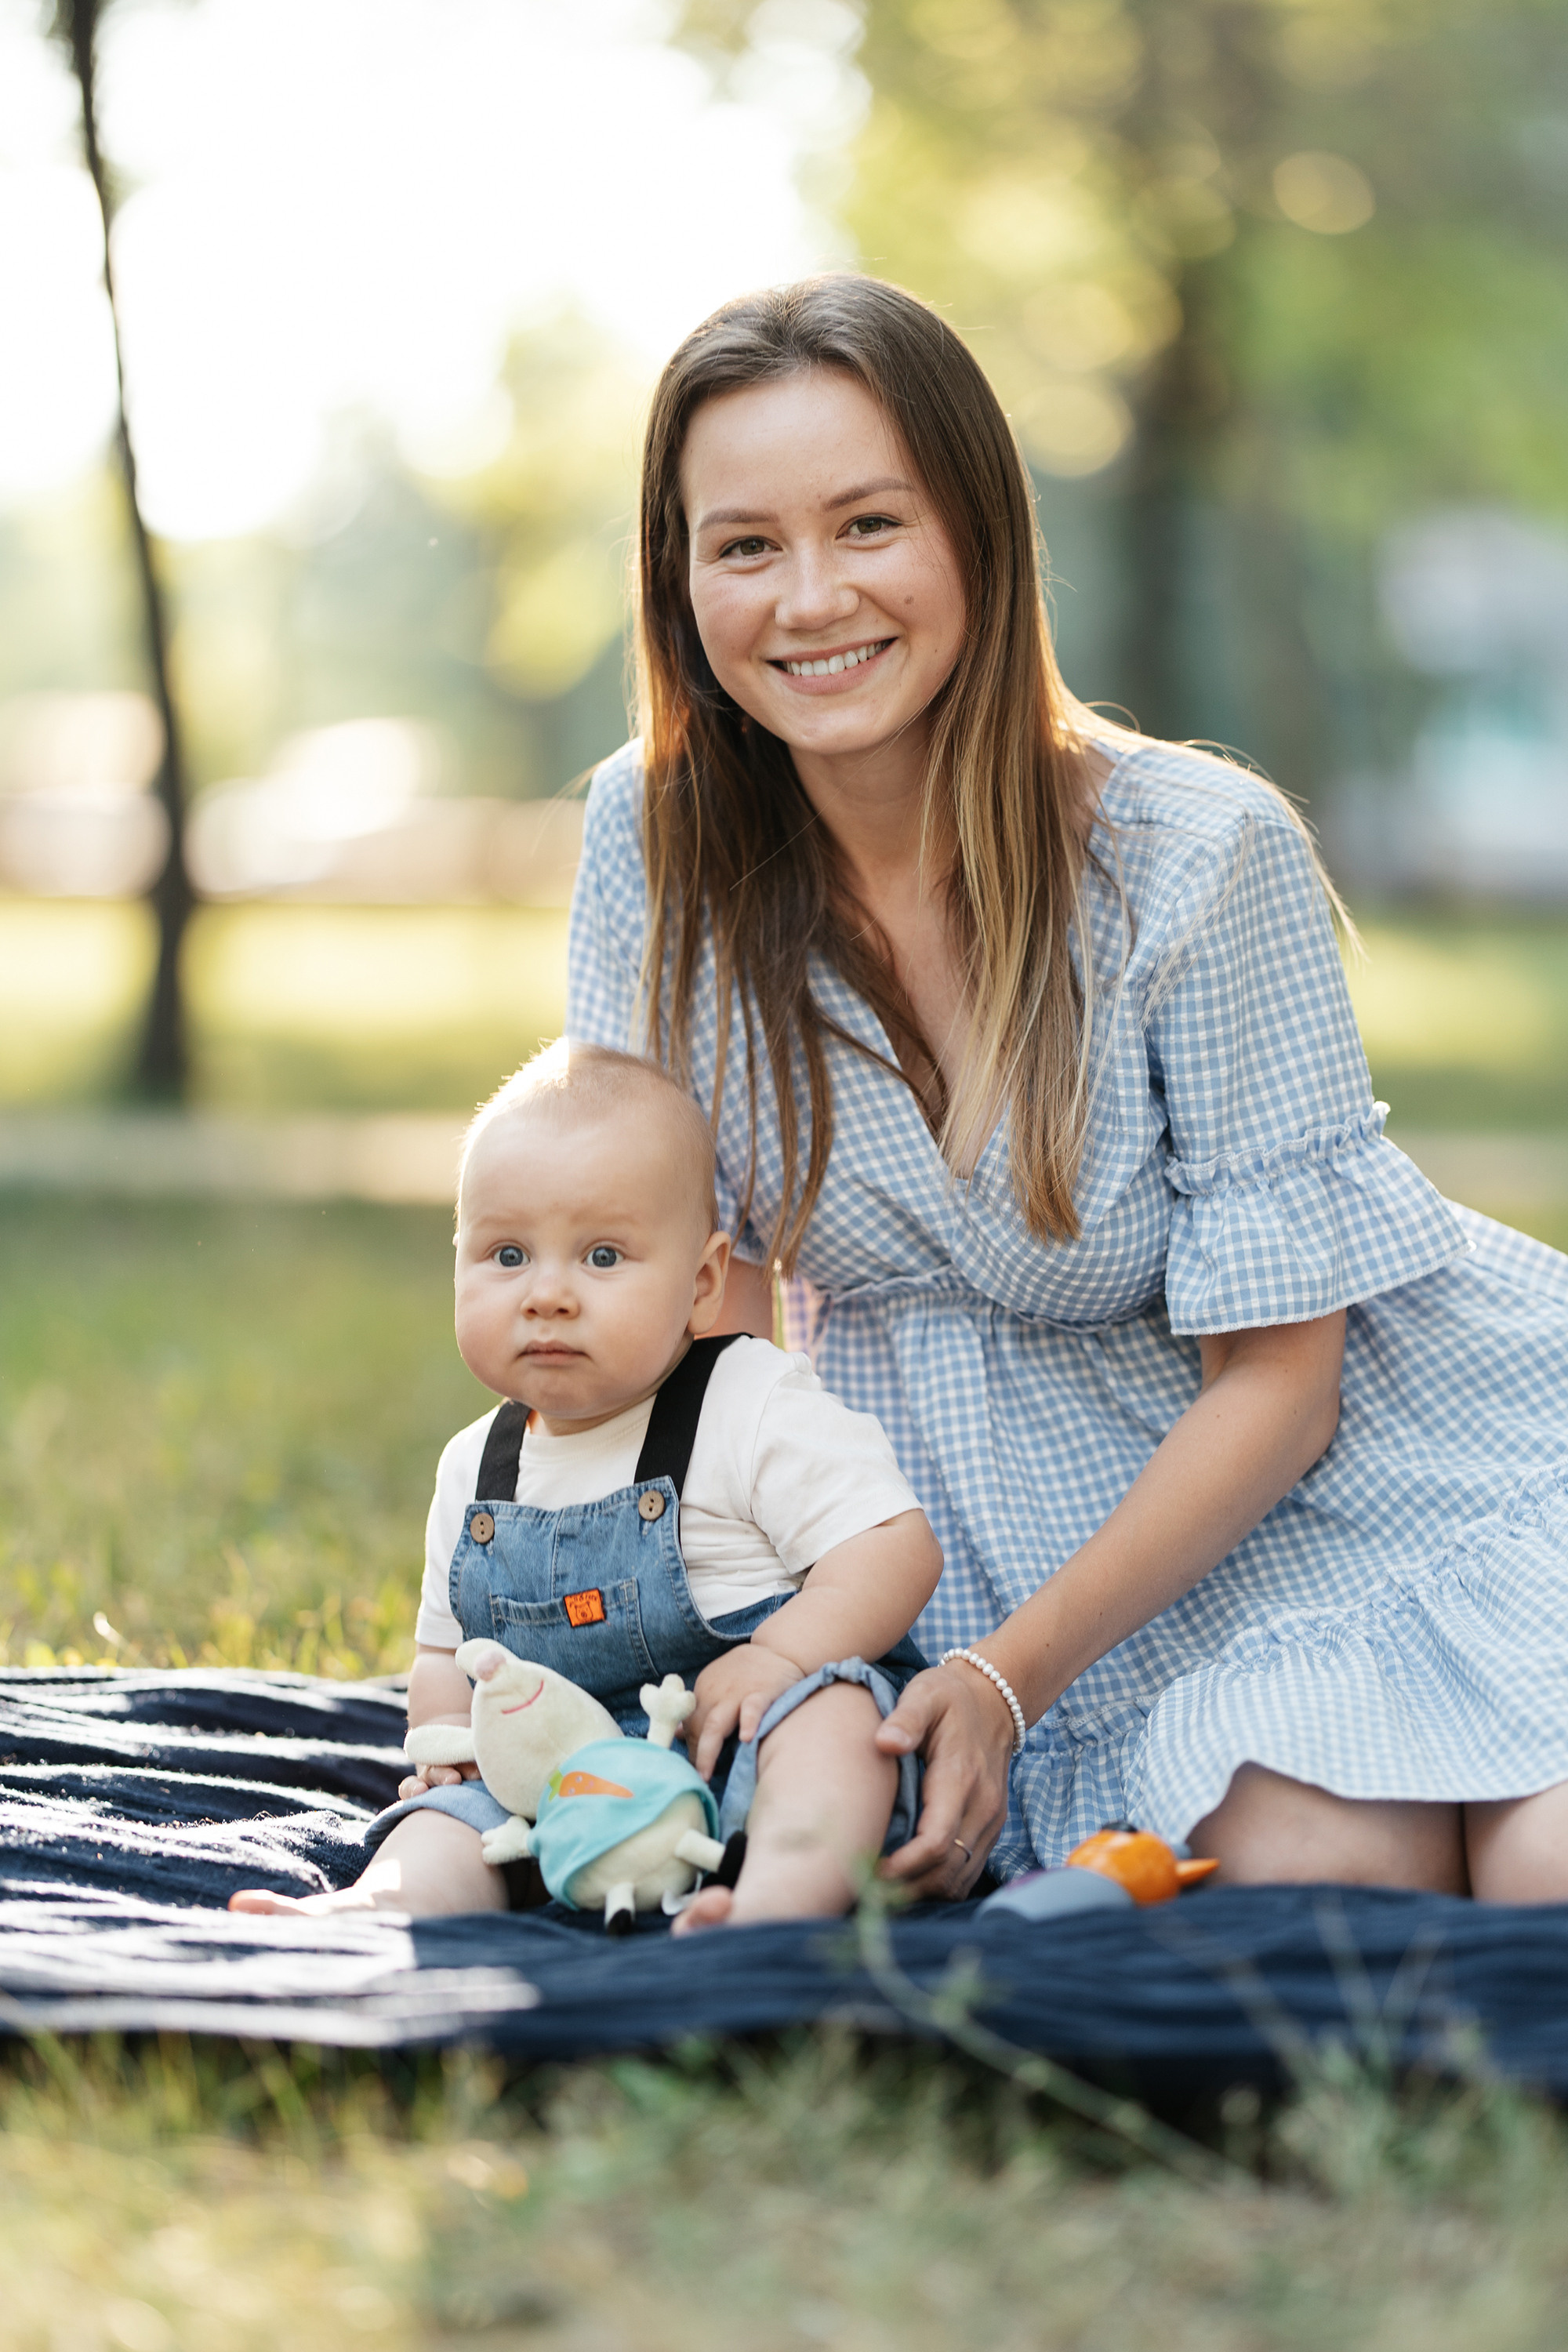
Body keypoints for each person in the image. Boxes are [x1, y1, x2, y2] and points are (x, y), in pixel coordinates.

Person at [567, 271, 1568, 1907]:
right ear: (680, 584)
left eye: (870, 525)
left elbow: (1284, 1387)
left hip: (1388, 1479)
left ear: (979, 535)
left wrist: (1011, 1677)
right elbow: (693, 1309)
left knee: (1547, 1888)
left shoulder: (1198, 855)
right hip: (980, 1540)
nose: (810, 598)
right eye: (743, 544)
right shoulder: (652, 837)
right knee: (1302, 1882)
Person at [230, 1040, 941, 1929]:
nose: (548, 1295)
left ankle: (769, 1907)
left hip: (739, 1752)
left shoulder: (749, 1402)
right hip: (561, 1788)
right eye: (507, 1254)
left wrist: (780, 1658)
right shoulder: (475, 1470)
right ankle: (378, 1911)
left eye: (602, 1257)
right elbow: (445, 1654)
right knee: (448, 1820)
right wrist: (448, 1743)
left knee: (836, 1719)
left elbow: (892, 1549)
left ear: (703, 1284)